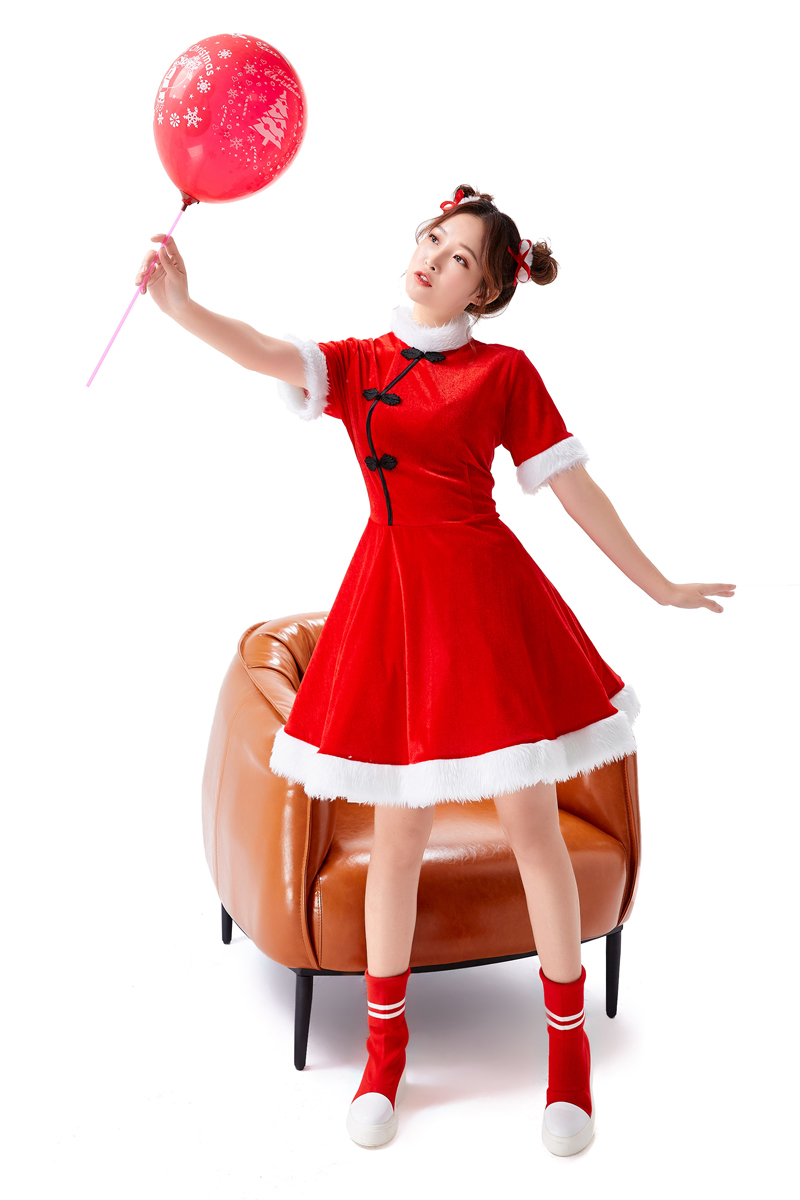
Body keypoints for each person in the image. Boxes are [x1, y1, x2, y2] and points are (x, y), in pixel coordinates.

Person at [134, 185, 736, 1155]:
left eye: (457, 256)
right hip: (394, 606)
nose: (430, 257)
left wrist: (658, 585)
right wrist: (182, 307)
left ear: (484, 290)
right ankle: (384, 1055)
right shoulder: (360, 362)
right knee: (399, 836)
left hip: (485, 608)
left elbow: (573, 488)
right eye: (430, 238)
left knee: (532, 829)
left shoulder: (504, 372)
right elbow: (260, 349)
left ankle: (569, 1059)